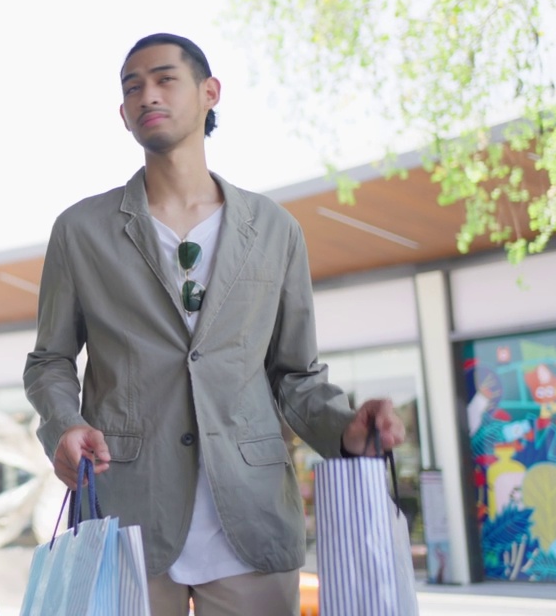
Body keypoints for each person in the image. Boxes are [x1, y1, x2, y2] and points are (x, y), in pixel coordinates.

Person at [22, 33, 407, 616]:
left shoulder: (275, 229)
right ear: (123, 115)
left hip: (251, 520)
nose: (147, 94)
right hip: (126, 517)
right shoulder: (81, 230)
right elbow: (49, 359)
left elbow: (295, 376)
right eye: (132, 87)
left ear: (209, 92)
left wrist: (346, 428)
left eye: (163, 78)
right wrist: (64, 425)